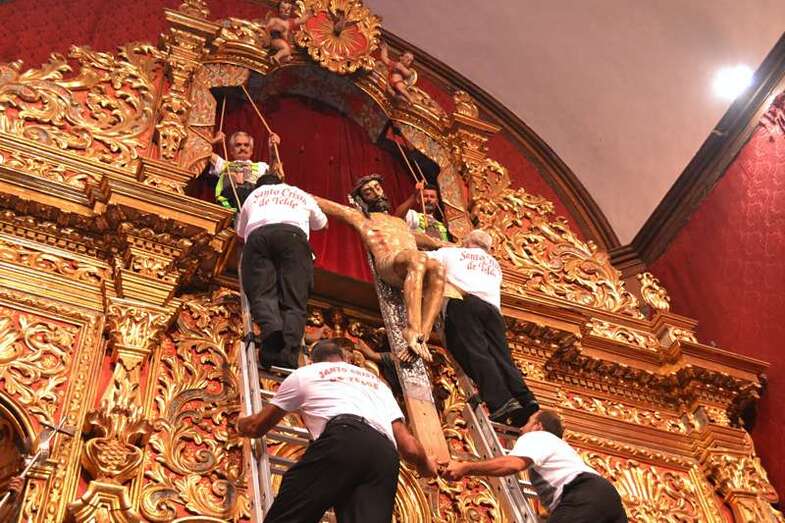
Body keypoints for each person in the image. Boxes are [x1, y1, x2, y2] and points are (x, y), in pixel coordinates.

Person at [236, 339, 437, 522]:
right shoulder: (378, 384)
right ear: (345, 358)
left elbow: (256, 427)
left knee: (291, 510)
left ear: (311, 361)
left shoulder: (306, 373)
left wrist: (239, 423)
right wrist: (426, 464)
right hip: (385, 457)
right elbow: (409, 447)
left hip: (345, 438)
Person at [313, 174, 446, 363]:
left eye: (377, 187)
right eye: (368, 192)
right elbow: (322, 203)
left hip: (410, 263)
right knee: (417, 258)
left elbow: (434, 242)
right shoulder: (360, 218)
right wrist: (283, 188)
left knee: (438, 268)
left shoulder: (400, 223)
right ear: (361, 199)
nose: (376, 193)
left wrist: (462, 246)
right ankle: (411, 328)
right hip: (388, 263)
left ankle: (421, 336)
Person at [427, 229, 538, 426]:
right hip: (492, 311)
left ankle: (501, 402)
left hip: (464, 302)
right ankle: (524, 397)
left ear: (466, 241)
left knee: (476, 352)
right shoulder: (495, 265)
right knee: (502, 357)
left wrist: (438, 245)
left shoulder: (452, 253)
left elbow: (421, 259)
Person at [440, 410, 628, 523]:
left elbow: (513, 464)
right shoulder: (561, 449)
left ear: (538, 426)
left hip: (585, 492)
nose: (521, 429)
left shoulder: (537, 437)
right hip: (608, 499)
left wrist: (466, 467)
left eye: (527, 423)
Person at [237, 173, 327, 368]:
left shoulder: (253, 196)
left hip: (258, 238)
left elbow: (240, 231)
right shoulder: (299, 193)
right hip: (293, 238)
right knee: (294, 298)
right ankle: (288, 352)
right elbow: (322, 223)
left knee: (261, 291)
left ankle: (271, 328)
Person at [209, 130, 281, 210]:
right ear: (231, 150)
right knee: (231, 172)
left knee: (268, 180)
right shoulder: (223, 164)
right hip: (230, 206)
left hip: (253, 204)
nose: (242, 148)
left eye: (246, 145)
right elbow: (202, 151)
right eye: (238, 145)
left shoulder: (261, 166)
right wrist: (214, 140)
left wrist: (273, 150)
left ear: (251, 151)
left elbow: (273, 176)